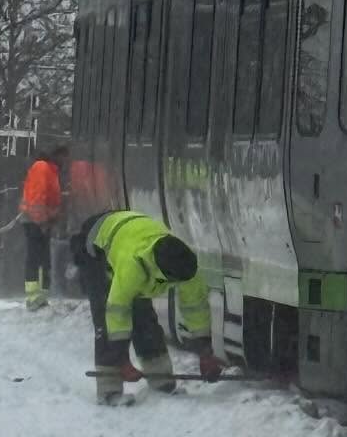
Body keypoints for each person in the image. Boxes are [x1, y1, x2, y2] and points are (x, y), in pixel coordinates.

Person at [71, 209, 221, 402]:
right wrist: (122, 360)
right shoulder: (133, 266)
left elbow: (196, 309)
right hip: (95, 244)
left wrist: (205, 352)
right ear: (163, 273)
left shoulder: (186, 268)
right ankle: (109, 391)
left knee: (146, 320)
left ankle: (162, 382)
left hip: (130, 232)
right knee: (105, 321)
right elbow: (117, 311)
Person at [18, 144, 66, 309]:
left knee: (42, 258)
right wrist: (42, 221)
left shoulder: (51, 170)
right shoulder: (43, 168)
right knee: (37, 257)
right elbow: (37, 198)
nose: (66, 162)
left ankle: (41, 296)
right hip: (35, 221)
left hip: (40, 221)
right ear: (57, 155)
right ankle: (34, 298)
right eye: (64, 157)